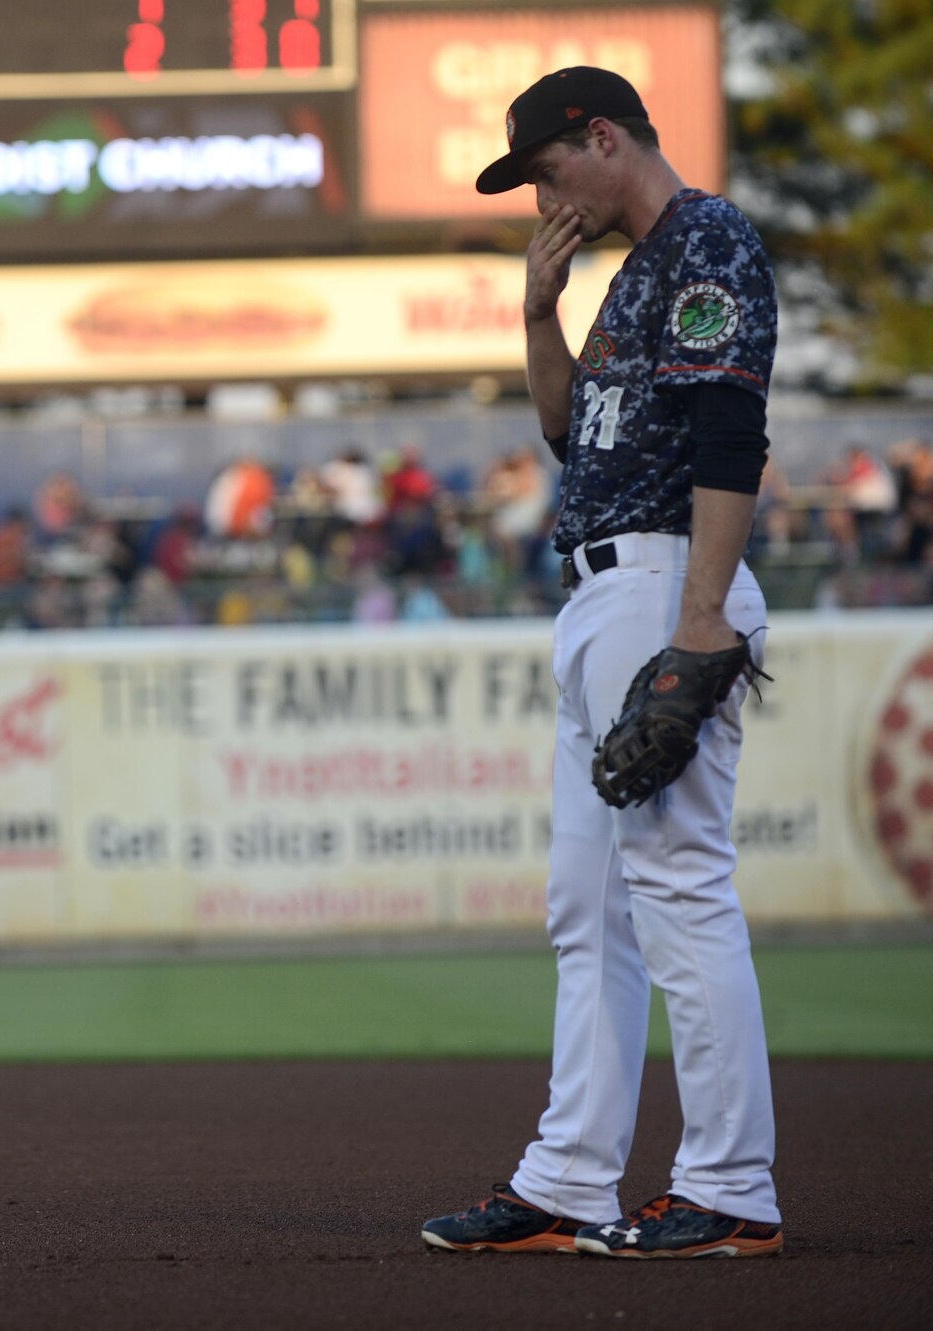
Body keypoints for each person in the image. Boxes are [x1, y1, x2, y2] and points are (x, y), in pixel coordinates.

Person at [421, 67, 784, 1259]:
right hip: (598, 586)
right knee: (587, 906)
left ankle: (728, 1184)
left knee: (676, 883)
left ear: (601, 137)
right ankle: (567, 1177)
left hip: (662, 583)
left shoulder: (705, 238)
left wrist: (696, 628)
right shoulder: (627, 274)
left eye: (543, 167)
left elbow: (731, 434)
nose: (539, 192)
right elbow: (565, 434)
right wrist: (538, 314)